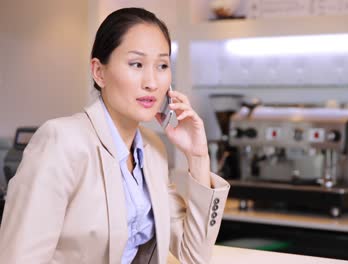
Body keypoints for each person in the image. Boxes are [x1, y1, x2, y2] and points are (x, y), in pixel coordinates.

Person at [0, 7, 230, 264]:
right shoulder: (61, 141)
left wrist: (197, 156)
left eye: (162, 65)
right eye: (136, 64)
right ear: (99, 72)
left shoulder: (153, 151)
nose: (152, 82)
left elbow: (194, 255)